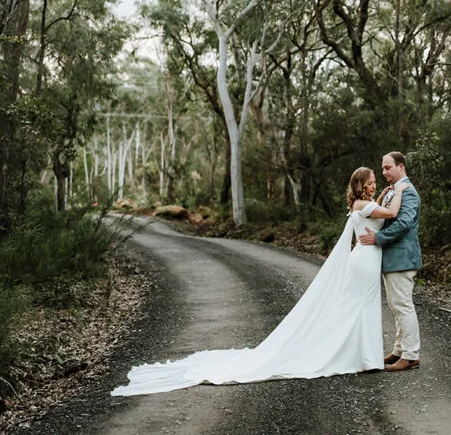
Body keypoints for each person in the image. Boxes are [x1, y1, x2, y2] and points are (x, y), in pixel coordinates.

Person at [110, 167, 407, 395]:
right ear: (360, 184)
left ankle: (365, 356)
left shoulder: (364, 203)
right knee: (358, 306)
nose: (373, 185)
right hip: (364, 261)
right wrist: (401, 189)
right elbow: (392, 213)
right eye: (370, 181)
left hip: (367, 259)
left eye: (375, 181)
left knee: (361, 306)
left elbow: (380, 213)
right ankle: (363, 357)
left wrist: (384, 193)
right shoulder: (363, 205)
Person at [359, 151, 422, 372]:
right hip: (392, 258)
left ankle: (411, 355)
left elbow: (404, 223)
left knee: (403, 305)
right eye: (383, 168)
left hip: (402, 258)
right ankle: (399, 350)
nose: (384, 172)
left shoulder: (408, 192)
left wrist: (378, 238)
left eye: (388, 167)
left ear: (401, 166)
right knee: (396, 307)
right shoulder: (393, 191)